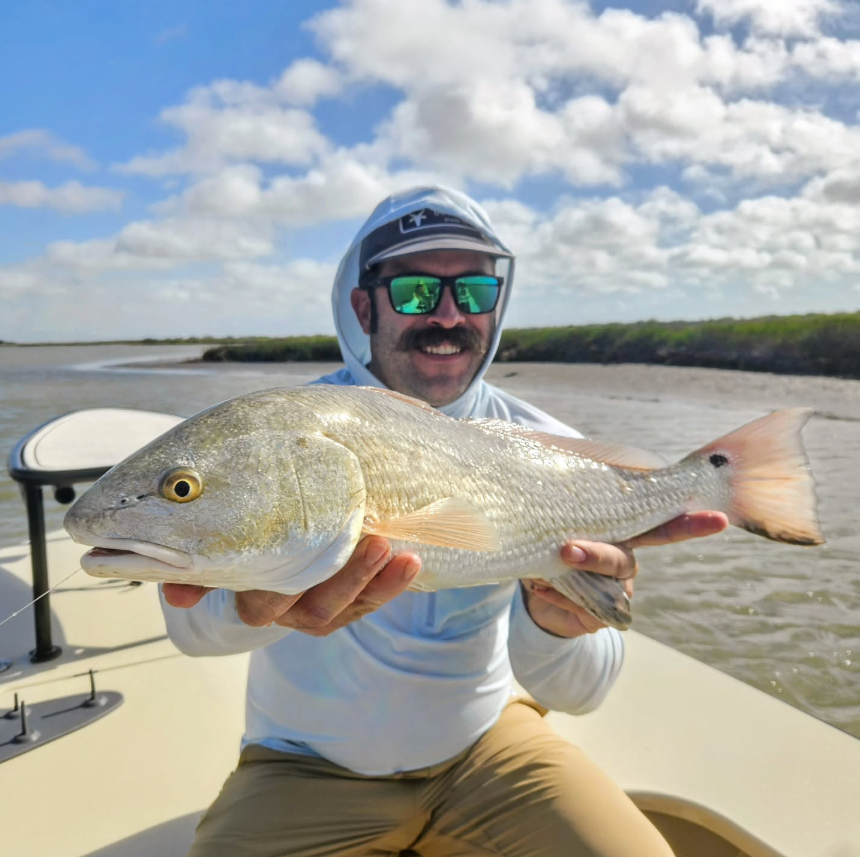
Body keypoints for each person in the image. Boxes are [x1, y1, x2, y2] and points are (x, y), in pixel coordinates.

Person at [160, 186, 728, 857]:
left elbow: (584, 690)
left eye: (475, 292)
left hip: (488, 750)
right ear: (363, 305)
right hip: (304, 766)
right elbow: (190, 626)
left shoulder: (551, 452)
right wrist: (252, 606)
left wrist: (557, 625)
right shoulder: (286, 433)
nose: (450, 316)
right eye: (416, 293)